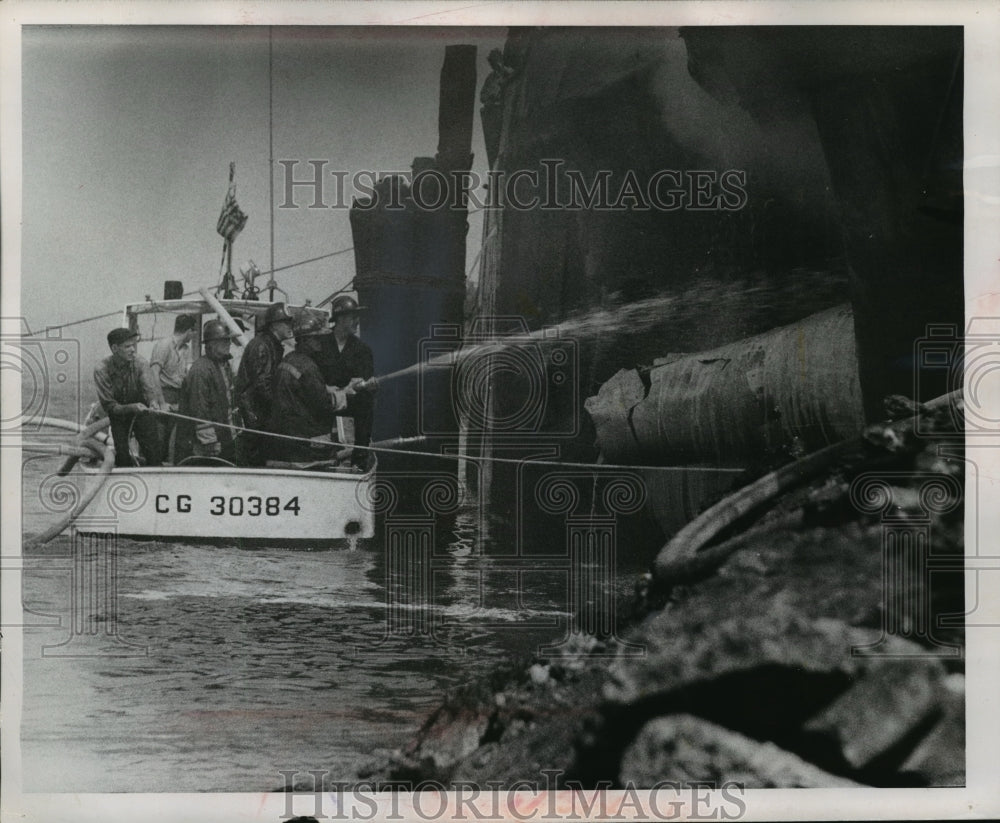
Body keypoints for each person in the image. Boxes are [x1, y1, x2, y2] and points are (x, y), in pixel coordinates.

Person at [270, 315, 354, 463]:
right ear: (305, 340)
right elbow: (324, 403)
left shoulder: (288, 359)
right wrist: (344, 394)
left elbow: (301, 391)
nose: (321, 342)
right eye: (316, 338)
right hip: (305, 444)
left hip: (285, 440)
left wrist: (326, 388)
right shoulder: (308, 366)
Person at [314, 294, 378, 470]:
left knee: (366, 403)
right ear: (340, 319)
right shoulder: (320, 345)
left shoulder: (363, 350)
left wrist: (366, 385)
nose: (357, 322)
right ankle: (317, 455)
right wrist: (326, 389)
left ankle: (359, 459)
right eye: (353, 317)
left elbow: (365, 380)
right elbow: (311, 376)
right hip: (323, 399)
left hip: (350, 401)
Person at [234, 302, 294, 466]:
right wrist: (281, 406)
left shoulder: (269, 344)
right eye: (286, 322)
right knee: (253, 457)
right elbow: (262, 384)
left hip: (258, 413)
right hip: (254, 414)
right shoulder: (262, 345)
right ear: (274, 324)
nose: (290, 326)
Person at [93, 327, 164, 467]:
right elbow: (110, 406)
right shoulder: (101, 369)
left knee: (154, 454)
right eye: (127, 346)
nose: (133, 349)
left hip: (142, 413)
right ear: (114, 348)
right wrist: (131, 407)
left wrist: (153, 402)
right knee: (122, 457)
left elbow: (149, 389)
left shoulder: (141, 363)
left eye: (133, 345)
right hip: (118, 415)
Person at [175, 320, 239, 463]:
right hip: (205, 445)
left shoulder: (223, 365)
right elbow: (199, 408)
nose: (229, 344)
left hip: (223, 437)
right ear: (211, 344)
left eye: (228, 340)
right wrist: (209, 441)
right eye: (224, 341)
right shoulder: (201, 370)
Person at [150, 313, 196, 461]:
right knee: (159, 439)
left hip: (178, 396)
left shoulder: (186, 350)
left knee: (175, 441)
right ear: (189, 331)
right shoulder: (164, 345)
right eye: (194, 331)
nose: (194, 335)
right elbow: (154, 374)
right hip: (163, 394)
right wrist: (162, 403)